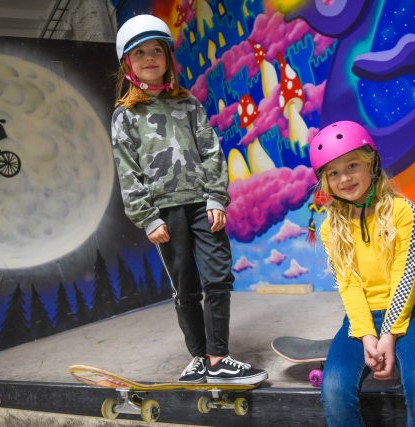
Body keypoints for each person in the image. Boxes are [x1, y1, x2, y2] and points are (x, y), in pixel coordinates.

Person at [111, 14, 267, 385]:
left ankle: (219, 358)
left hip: (202, 204)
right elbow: (128, 171)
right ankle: (199, 357)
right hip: (164, 212)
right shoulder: (125, 116)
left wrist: (216, 197)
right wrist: (147, 217)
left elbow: (211, 151)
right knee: (185, 286)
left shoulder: (189, 104)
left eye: (156, 51)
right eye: (139, 53)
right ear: (127, 63)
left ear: (167, 58)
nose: (149, 58)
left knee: (218, 277)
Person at [309, 121, 415, 426]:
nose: (345, 178)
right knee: (333, 390)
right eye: (333, 173)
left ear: (371, 164)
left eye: (352, 165)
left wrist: (389, 335)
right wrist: (367, 334)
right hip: (361, 318)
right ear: (325, 181)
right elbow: (348, 285)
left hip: (412, 312)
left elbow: (405, 276)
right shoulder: (330, 228)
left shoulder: (403, 211)